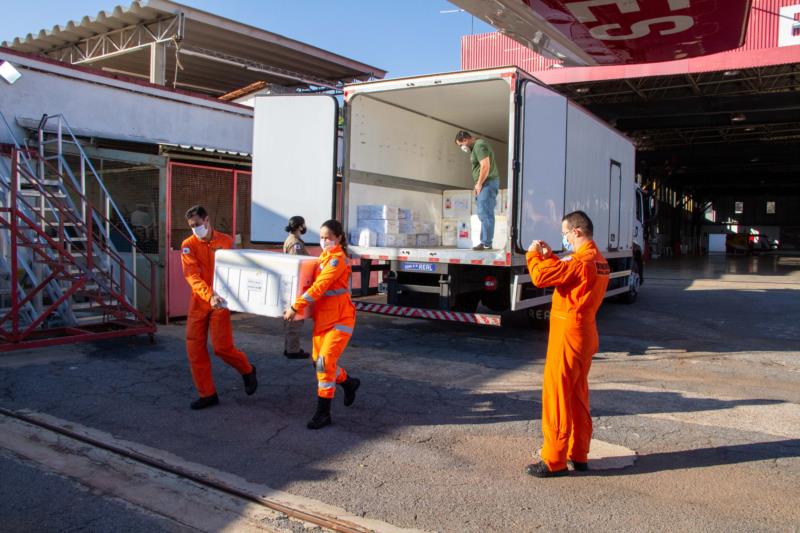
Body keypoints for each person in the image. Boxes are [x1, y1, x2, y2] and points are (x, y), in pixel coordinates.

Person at [524, 210, 610, 477]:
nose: (565, 239)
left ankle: (554, 460)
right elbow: (567, 272)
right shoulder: (599, 261)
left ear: (577, 231)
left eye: (565, 234)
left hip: (568, 333)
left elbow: (541, 277)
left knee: (557, 395)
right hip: (585, 332)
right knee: (577, 394)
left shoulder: (581, 261)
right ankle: (579, 454)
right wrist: (551, 256)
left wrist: (533, 255)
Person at [283, 219, 360, 430]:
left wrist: (296, 307)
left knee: (324, 364)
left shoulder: (337, 260)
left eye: (329, 238)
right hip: (323, 320)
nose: (324, 241)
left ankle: (323, 413)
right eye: (322, 237)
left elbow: (319, 286)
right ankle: (349, 383)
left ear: (339, 238)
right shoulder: (322, 258)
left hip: (341, 319)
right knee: (317, 362)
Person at [181, 205, 258, 410]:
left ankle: (248, 370)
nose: (195, 228)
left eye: (197, 224)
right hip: (200, 301)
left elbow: (237, 270)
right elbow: (192, 275)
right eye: (191, 226)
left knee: (222, 348)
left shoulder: (225, 241)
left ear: (207, 220)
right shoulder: (188, 245)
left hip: (221, 302)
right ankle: (207, 394)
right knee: (195, 349)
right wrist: (209, 295)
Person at [454, 130, 500, 251]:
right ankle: (485, 242)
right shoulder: (476, 147)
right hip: (485, 183)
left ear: (465, 140)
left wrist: (479, 183)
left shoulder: (479, 145)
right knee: (483, 212)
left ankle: (486, 243)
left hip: (487, 182)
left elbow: (485, 165)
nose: (461, 147)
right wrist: (477, 185)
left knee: (485, 212)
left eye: (460, 145)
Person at [282, 216, 311, 359]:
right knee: (296, 318)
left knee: (291, 318)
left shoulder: (292, 240)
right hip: (296, 286)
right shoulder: (295, 244)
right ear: (299, 226)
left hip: (292, 285)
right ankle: (292, 350)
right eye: (303, 224)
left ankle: (289, 348)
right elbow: (297, 264)